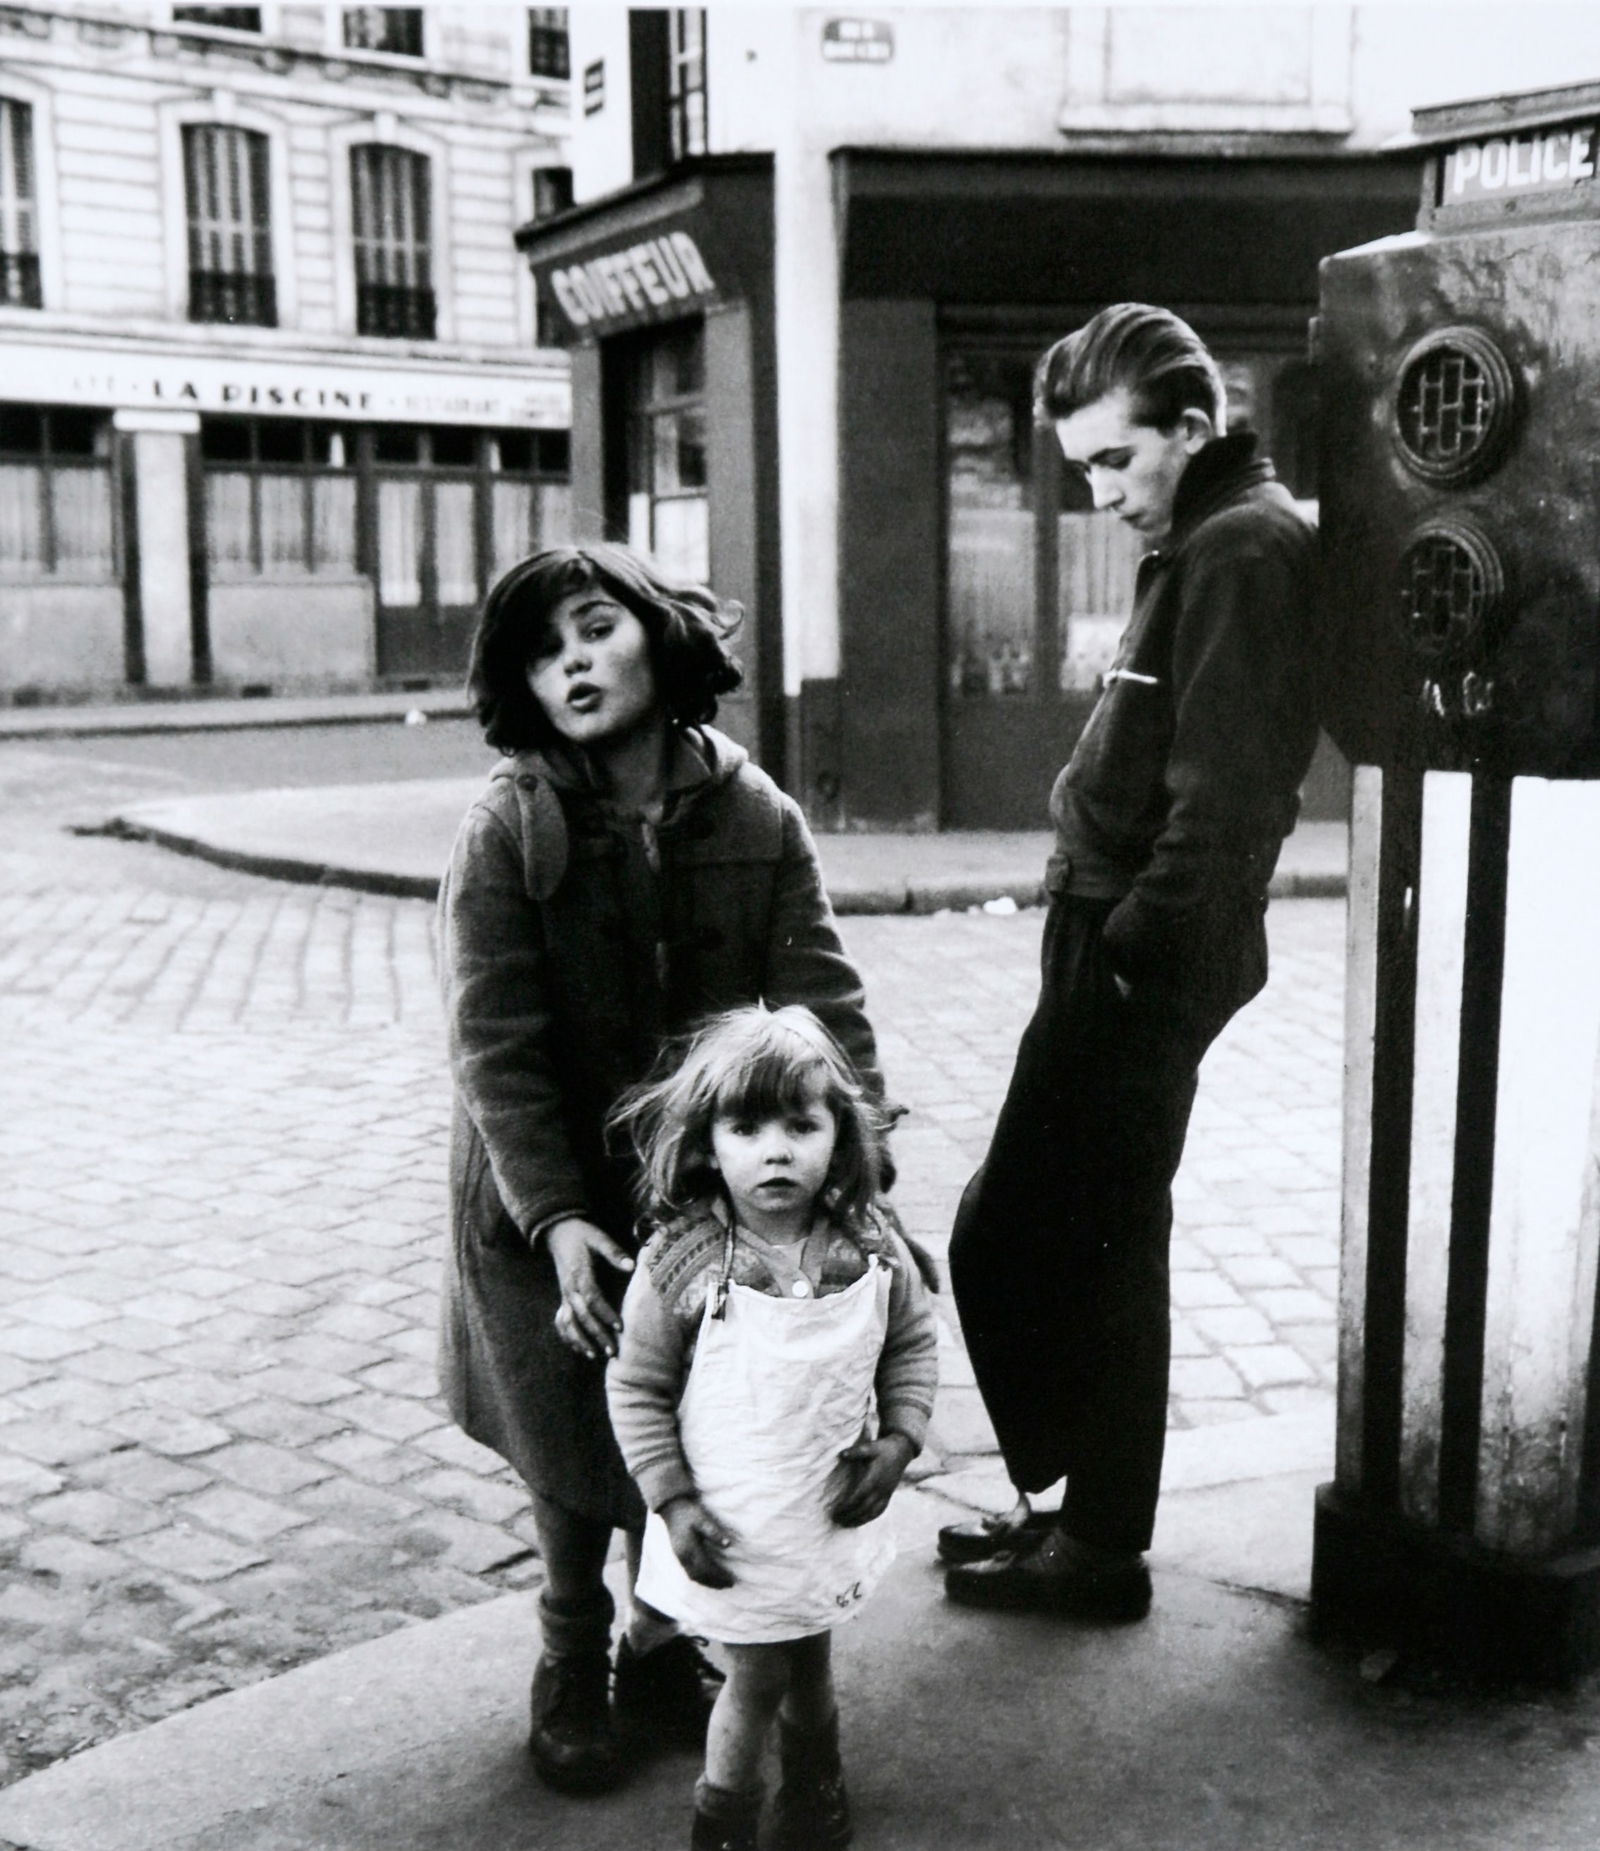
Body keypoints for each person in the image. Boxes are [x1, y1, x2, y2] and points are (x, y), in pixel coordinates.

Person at [436, 544, 888, 1795]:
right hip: (544, 1200)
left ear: (659, 635)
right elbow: (494, 1045)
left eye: (592, 629)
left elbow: (826, 1019)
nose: (569, 662)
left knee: (696, 1421)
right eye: (541, 649)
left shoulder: (758, 818)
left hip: (703, 1197)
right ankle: (571, 1653)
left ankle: (658, 1643)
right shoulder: (506, 825)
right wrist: (557, 1219)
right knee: (572, 1442)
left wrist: (865, 1175)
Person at [942, 304, 1319, 1622]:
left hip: (1139, 949)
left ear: (1193, 430)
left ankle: (1095, 1542)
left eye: (1113, 462)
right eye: (1082, 468)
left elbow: (1227, 809)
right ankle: (1081, 1519)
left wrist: (1126, 962)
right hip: (1109, 933)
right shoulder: (1200, 535)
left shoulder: (1244, 547)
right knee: (1084, 1236)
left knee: (1028, 1237)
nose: (1098, 494)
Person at [607, 1004, 938, 1851]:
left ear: (842, 1133)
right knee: (755, 1673)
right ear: (707, 1142)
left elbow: (909, 1343)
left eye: (801, 1123)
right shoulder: (681, 1263)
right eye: (747, 1127)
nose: (777, 1148)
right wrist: (673, 1503)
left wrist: (898, 1443)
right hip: (731, 1522)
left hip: (823, 1510)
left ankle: (814, 1784)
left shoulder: (868, 1245)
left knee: (813, 1651)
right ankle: (724, 1815)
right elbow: (638, 1386)